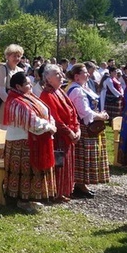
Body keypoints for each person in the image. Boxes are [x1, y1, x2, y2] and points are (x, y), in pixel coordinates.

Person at [2, 72, 57, 213]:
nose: (30, 85)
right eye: (27, 84)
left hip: (33, 140)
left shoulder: (28, 97)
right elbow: (32, 122)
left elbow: (46, 112)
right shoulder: (16, 102)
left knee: (33, 170)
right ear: (18, 86)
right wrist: (48, 126)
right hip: (20, 142)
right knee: (24, 171)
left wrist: (50, 123)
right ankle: (21, 200)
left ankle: (32, 196)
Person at [67, 63, 110, 197]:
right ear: (77, 76)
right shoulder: (77, 90)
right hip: (85, 127)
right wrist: (100, 116)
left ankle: (82, 185)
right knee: (84, 157)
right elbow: (84, 112)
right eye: (85, 72)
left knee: (87, 157)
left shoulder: (81, 88)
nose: (88, 74)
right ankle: (79, 185)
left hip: (89, 127)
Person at [39, 64, 80, 203]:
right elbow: (55, 118)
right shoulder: (47, 94)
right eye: (57, 74)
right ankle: (56, 192)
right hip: (58, 136)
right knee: (59, 164)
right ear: (48, 79)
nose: (61, 76)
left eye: (61, 73)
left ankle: (65, 191)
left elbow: (72, 112)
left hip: (69, 134)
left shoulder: (60, 91)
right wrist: (69, 132)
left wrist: (77, 129)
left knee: (67, 164)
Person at [0, 45, 25, 129]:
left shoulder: (21, 70)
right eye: (14, 56)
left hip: (18, 105)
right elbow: (0, 90)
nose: (17, 58)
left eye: (19, 56)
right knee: (3, 130)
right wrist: (12, 104)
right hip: (4, 105)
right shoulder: (3, 68)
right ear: (7, 56)